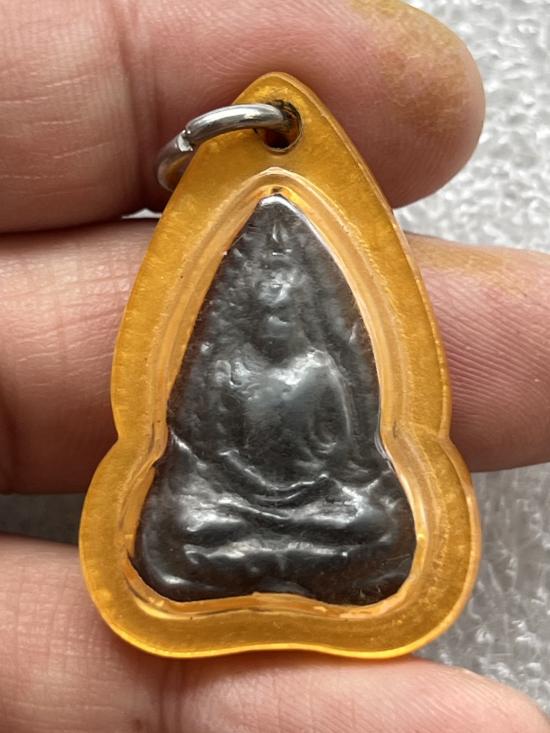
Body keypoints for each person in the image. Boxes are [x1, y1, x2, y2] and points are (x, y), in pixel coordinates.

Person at [0, 0, 549, 731]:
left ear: (310, 306)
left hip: (321, 508)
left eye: (290, 305)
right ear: (242, 302)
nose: (276, 316)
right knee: (185, 524)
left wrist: (317, 494)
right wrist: (236, 492)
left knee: (372, 522)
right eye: (262, 305)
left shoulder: (324, 367)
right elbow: (195, 452)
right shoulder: (223, 368)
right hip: (227, 511)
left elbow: (355, 460)